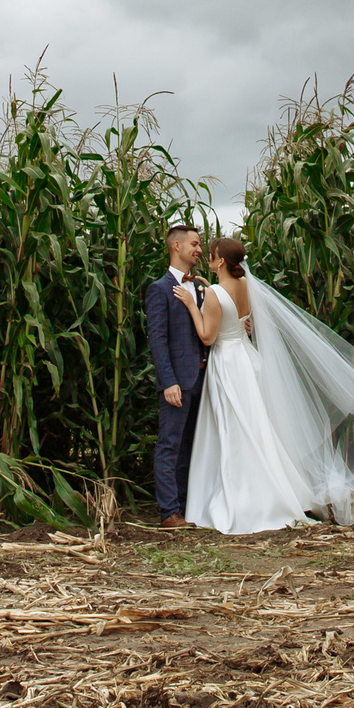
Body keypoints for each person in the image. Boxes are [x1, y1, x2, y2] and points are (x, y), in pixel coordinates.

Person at [163, 233, 354, 535]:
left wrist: (194, 305)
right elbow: (245, 322)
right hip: (248, 360)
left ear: (219, 260)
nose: (206, 256)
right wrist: (213, 296)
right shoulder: (245, 285)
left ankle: (240, 500)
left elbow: (207, 336)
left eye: (210, 253)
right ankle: (276, 490)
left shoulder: (216, 294)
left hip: (227, 366)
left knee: (234, 430)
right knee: (259, 428)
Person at [144, 223, 211, 527]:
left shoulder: (199, 286)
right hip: (178, 382)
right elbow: (157, 340)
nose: (199, 250)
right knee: (170, 444)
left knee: (190, 446)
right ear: (177, 247)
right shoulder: (159, 290)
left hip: (202, 380)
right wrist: (168, 381)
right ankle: (169, 512)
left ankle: (185, 507)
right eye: (195, 244)